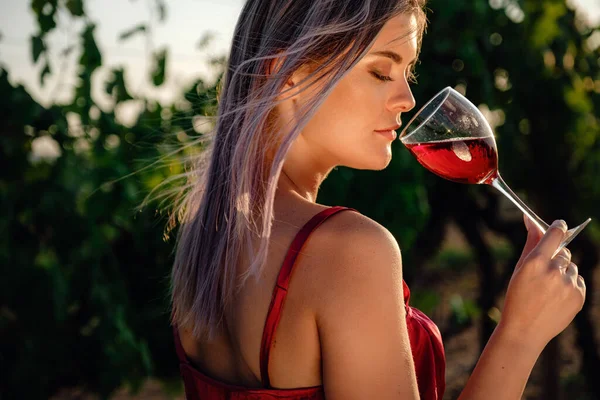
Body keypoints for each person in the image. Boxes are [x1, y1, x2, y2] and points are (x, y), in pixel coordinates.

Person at [169, 0, 587, 399]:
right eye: (381, 72)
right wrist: (521, 333)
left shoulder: (206, 238)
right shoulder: (352, 251)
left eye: (409, 74)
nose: (407, 100)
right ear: (290, 74)